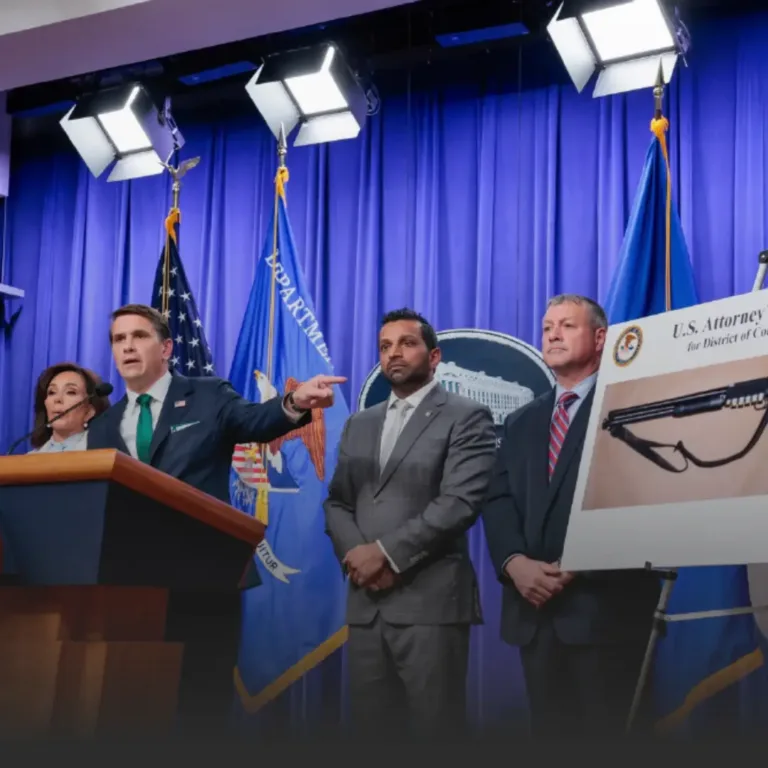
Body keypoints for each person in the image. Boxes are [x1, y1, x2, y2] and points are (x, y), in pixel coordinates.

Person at [86, 303, 345, 738]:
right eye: (118, 339)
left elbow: (256, 421)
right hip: (130, 587)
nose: (127, 346)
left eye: (139, 336)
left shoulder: (207, 395)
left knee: (199, 710)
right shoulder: (103, 425)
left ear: (166, 348)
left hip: (202, 578)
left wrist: (293, 402)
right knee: (132, 710)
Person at [481, 294, 661, 739]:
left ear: (600, 338)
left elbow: (643, 495)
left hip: (607, 613)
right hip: (535, 616)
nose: (553, 335)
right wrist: (514, 563)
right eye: (547, 327)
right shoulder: (521, 420)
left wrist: (579, 560)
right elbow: (498, 498)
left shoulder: (634, 404)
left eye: (566, 325)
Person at [323, 308, 496, 740]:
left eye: (406, 343)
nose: (394, 353)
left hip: (429, 605)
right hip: (366, 606)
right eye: (385, 346)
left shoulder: (466, 415)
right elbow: (337, 502)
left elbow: (459, 502)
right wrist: (358, 557)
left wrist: (384, 555)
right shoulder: (359, 423)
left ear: (434, 356)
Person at [29, 362, 111, 453]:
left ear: (89, 412)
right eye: (52, 392)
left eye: (70, 392)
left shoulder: (104, 454)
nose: (58, 399)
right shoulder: (29, 459)